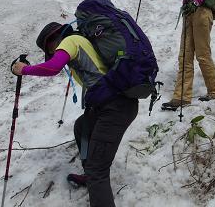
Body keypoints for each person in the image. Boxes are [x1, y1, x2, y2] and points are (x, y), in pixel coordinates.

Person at [11, 22, 138, 207]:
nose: (54, 53)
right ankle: (90, 176)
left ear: (54, 40)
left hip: (115, 108)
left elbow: (52, 68)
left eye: (51, 49)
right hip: (110, 105)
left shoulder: (70, 41)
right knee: (82, 127)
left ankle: (94, 178)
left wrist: (24, 69)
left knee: (98, 171)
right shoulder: (80, 42)